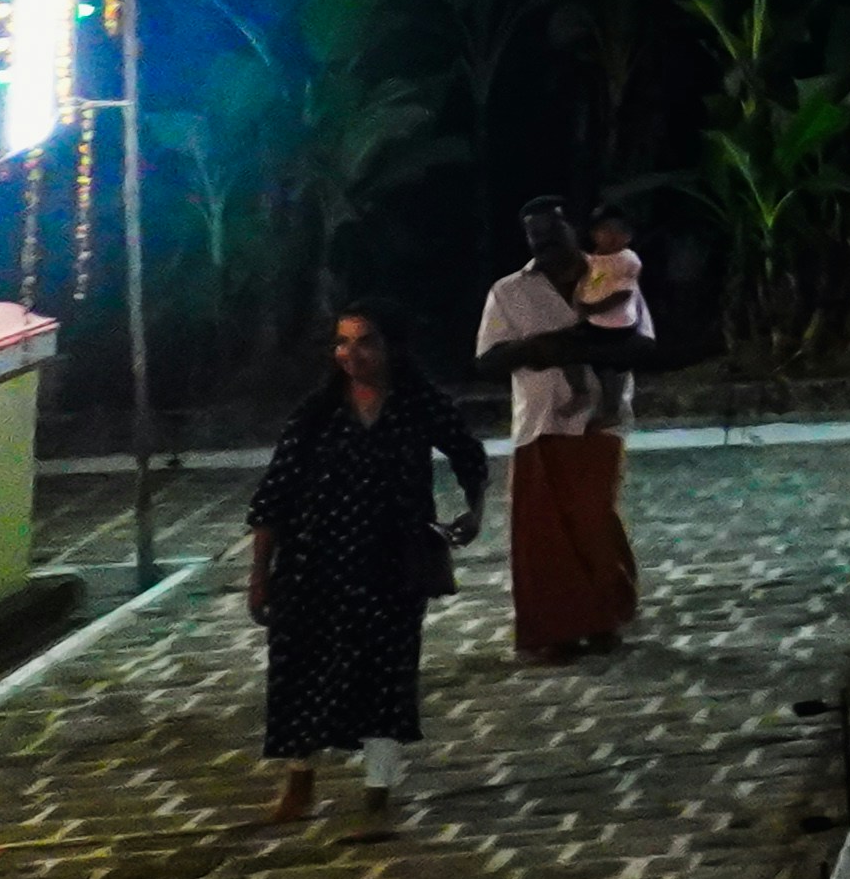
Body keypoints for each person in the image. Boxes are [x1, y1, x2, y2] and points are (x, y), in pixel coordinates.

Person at [248, 302, 488, 837]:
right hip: (314, 564)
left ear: (390, 347)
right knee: (302, 672)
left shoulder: (416, 404)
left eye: (365, 342)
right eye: (342, 343)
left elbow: (469, 454)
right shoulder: (317, 414)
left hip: (392, 565)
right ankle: (299, 783)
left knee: (386, 674)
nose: (351, 355)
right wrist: (260, 575)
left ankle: (377, 798)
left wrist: (474, 511)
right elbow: (274, 497)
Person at [476, 196, 653, 659]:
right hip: (540, 422)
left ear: (572, 229)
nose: (547, 245)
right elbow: (488, 358)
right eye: (538, 239)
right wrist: (539, 348)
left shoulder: (611, 274)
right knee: (541, 535)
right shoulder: (508, 291)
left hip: (600, 420)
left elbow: (641, 340)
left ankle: (603, 619)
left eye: (554, 235)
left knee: (595, 522)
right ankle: (551, 631)